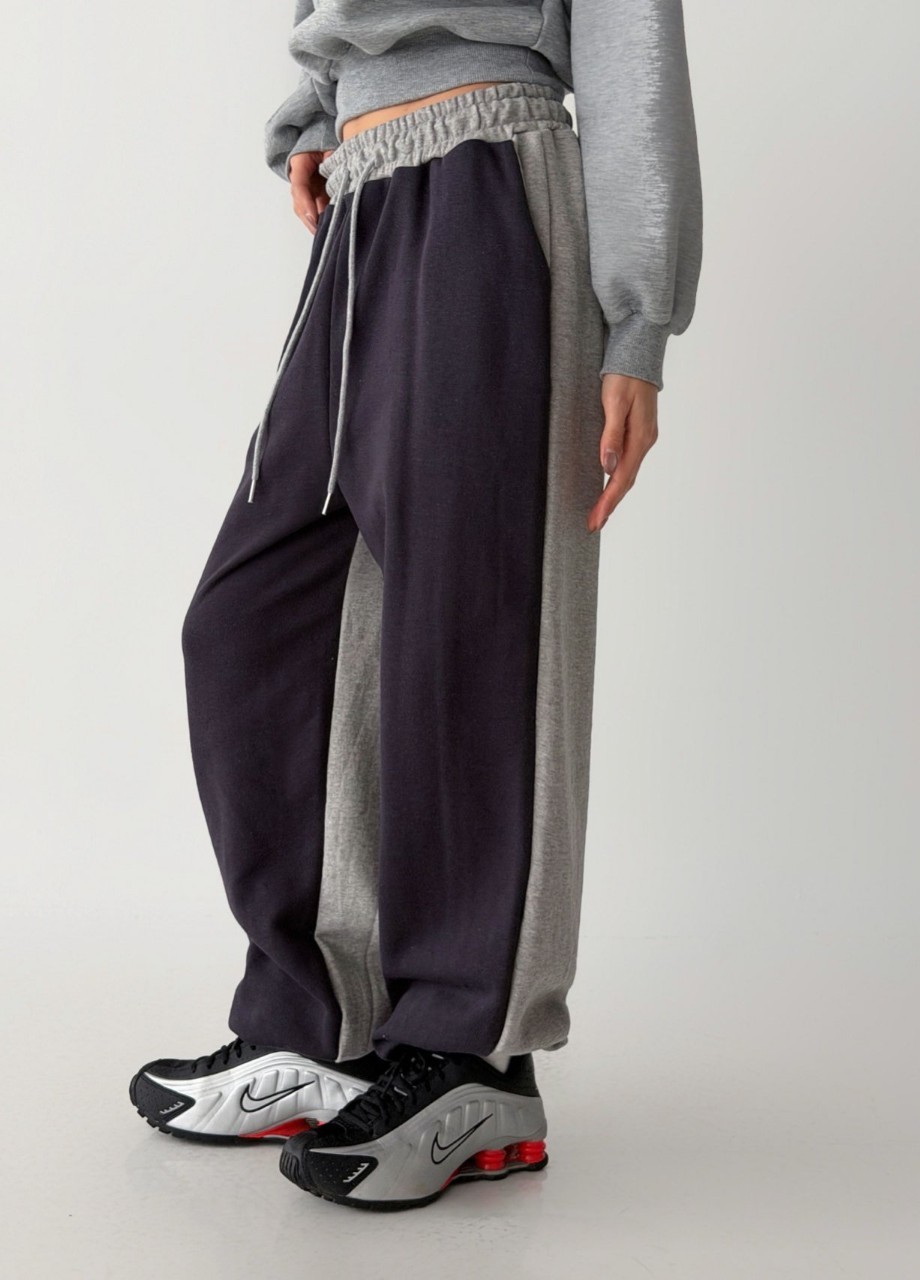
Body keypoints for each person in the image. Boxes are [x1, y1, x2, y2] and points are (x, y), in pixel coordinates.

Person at [129, 1, 702, 1211]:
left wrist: (637, 322)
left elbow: (630, 34)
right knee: (256, 622)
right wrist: (318, 106)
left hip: (494, 170)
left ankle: (473, 1051)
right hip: (363, 197)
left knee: (474, 631)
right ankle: (320, 1017)